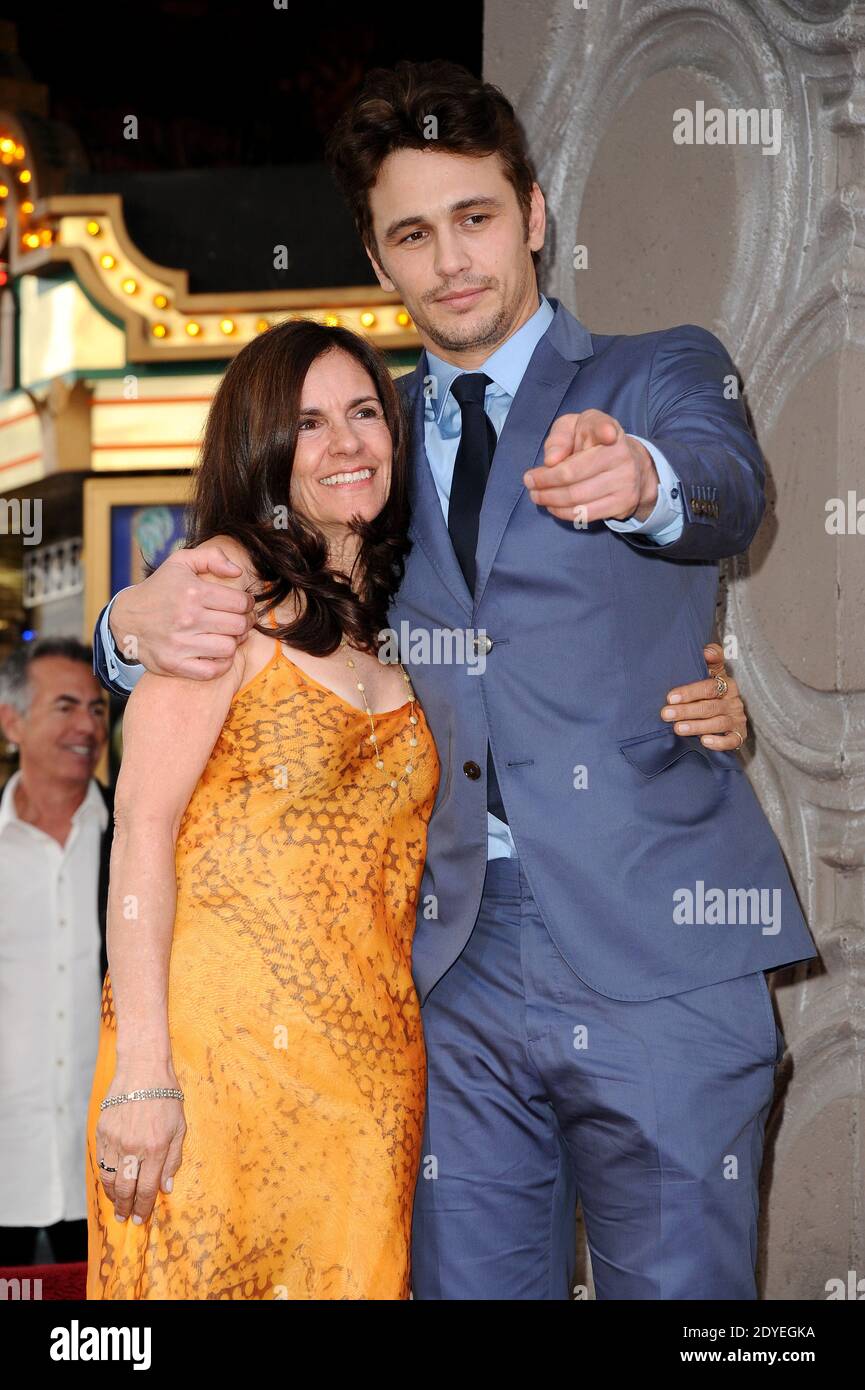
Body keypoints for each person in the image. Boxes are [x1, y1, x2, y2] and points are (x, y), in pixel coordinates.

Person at [91, 61, 815, 1300]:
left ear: (531, 215)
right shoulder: (360, 455)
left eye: (475, 217)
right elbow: (279, 615)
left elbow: (725, 483)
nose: (450, 260)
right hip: (440, 976)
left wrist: (642, 478)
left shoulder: (653, 371)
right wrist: (123, 622)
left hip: (656, 944)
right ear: (380, 262)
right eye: (411, 236)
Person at [85, 322, 440, 1299]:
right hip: (210, 1072)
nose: (347, 444)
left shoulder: (404, 629)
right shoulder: (218, 600)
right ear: (261, 452)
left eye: (365, 413)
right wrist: (145, 1071)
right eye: (309, 424)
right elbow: (140, 835)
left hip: (369, 1080)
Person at [0, 638, 111, 1267]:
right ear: (11, 720)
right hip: (6, 1158)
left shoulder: (136, 839)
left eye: (97, 709)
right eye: (65, 706)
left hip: (111, 1167)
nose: (86, 726)